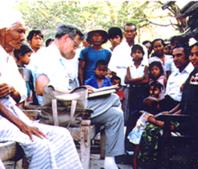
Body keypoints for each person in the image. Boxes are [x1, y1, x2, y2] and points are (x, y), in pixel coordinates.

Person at [0, 9, 83, 169]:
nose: (23, 37)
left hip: (12, 114)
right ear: (3, 30)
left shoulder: (7, 58)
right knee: (40, 144)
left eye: (24, 32)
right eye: (19, 31)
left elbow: (19, 96)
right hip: (5, 120)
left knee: (62, 135)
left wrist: (11, 90)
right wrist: (22, 125)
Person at [35, 24, 124, 169]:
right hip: (59, 109)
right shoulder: (47, 56)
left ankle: (109, 162)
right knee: (113, 99)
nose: (75, 50)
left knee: (116, 114)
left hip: (70, 105)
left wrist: (81, 89)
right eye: (74, 45)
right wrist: (75, 93)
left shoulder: (59, 56)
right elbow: (41, 89)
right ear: (65, 39)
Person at [124, 44, 149, 152]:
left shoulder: (145, 67)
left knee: (140, 114)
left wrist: (133, 80)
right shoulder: (129, 67)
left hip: (143, 91)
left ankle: (138, 146)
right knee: (131, 115)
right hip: (133, 91)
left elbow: (146, 80)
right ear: (131, 55)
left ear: (143, 54)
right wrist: (139, 78)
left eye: (139, 52)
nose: (137, 54)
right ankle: (128, 146)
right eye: (134, 52)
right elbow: (126, 80)